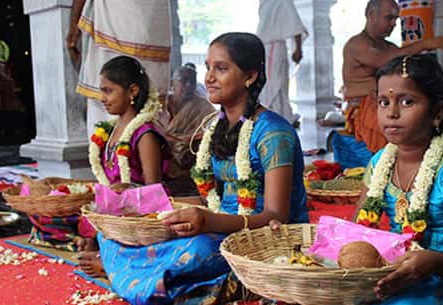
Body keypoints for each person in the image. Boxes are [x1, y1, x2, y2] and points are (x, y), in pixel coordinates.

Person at [91, 32, 308, 305]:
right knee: (113, 233)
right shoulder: (218, 127)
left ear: (250, 76)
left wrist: (209, 222)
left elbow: (278, 216)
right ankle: (139, 275)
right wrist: (137, 200)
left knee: (197, 248)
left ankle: (129, 274)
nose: (209, 78)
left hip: (265, 237)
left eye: (221, 68)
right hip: (222, 222)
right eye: (208, 67)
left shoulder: (273, 132)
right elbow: (211, 200)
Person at [354, 54, 443, 304]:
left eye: (406, 101)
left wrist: (433, 262)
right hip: (392, 274)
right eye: (383, 102)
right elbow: (358, 234)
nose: (392, 113)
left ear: (437, 111)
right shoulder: (378, 163)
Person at [78, 55, 172, 277]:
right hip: (115, 214)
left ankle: (111, 258)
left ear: (132, 91)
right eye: (102, 91)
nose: (103, 98)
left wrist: (127, 190)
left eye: (108, 91)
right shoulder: (110, 131)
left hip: (139, 217)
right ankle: (101, 244)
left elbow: (154, 192)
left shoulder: (144, 133)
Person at [342, 0, 443, 154]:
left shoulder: (390, 48)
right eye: (389, 18)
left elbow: (400, 64)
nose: (393, 24)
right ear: (371, 15)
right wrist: (426, 44)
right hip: (365, 109)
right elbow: (384, 59)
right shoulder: (356, 44)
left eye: (396, 19)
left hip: (390, 103)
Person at [66, 0, 172, 137]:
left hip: (127, 20)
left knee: (150, 106)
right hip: (121, 20)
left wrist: (74, 26)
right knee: (107, 104)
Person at [163, 63, 215, 193]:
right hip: (162, 168)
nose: (188, 85)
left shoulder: (204, 107)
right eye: (183, 81)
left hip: (190, 171)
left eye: (192, 81)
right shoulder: (161, 104)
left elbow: (211, 132)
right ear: (172, 83)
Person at [256, 0, 307, 125]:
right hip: (267, 46)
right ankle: (280, 117)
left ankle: (273, 117)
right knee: (274, 84)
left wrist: (298, 48)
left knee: (272, 84)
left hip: (274, 46)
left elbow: (295, 23)